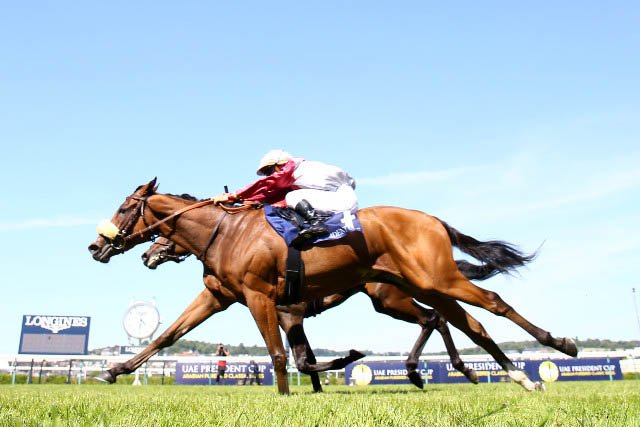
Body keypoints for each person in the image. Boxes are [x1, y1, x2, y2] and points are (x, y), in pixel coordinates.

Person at [212, 150, 357, 244]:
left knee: (293, 197)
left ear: (279, 166)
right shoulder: (298, 172)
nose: (269, 175)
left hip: (341, 200)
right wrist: (245, 200)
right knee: (290, 198)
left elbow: (267, 185)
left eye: (269, 171)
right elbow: (274, 197)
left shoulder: (290, 169)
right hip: (337, 197)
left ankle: (317, 223)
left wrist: (232, 196)